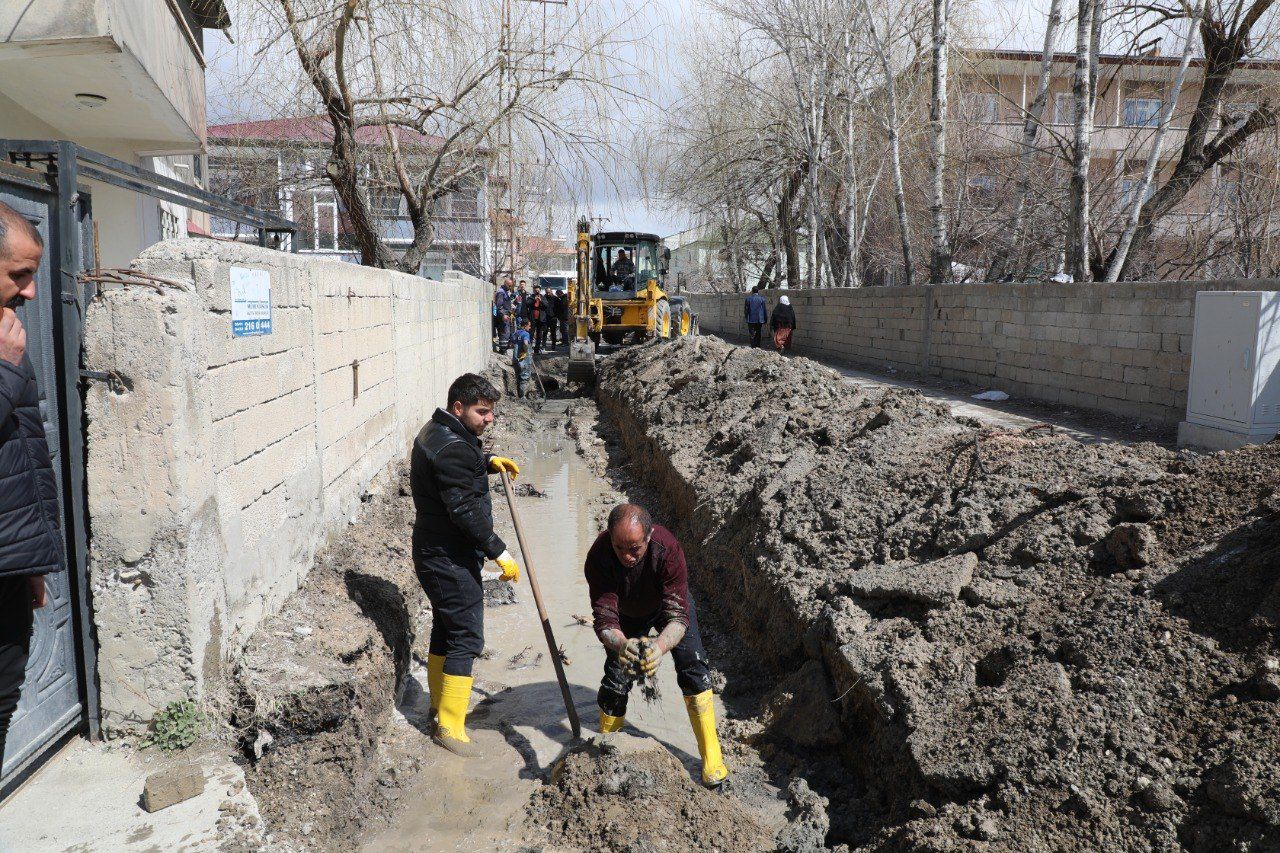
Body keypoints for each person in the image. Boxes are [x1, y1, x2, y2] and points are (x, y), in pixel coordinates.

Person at [410, 374, 522, 757]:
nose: (489, 419)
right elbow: (463, 509)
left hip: (435, 549)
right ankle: (451, 727)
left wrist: (487, 461)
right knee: (467, 637)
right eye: (483, 412)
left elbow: (455, 472)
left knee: (446, 627)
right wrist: (499, 551)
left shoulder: (435, 431)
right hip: (448, 556)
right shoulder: (452, 447)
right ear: (459, 407)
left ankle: (438, 708)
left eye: (491, 411)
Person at [585, 504, 729, 788]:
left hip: (666, 606)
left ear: (649, 536)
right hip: (624, 614)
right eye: (619, 548)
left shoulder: (668, 549)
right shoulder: (599, 556)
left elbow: (677, 617)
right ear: (610, 538)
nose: (627, 556)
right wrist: (623, 645)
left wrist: (659, 647)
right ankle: (607, 747)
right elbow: (604, 621)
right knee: (616, 677)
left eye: (635, 549)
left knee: (693, 666)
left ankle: (712, 756)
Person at [0, 201, 62, 765]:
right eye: (19, 275)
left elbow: (20, 453)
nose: (30, 292)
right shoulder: (7, 349)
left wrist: (31, 564)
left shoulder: (8, 339)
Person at [512, 319, 534, 398]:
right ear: (525, 326)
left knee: (518, 377)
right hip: (523, 360)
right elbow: (525, 343)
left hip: (515, 359)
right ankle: (523, 397)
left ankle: (520, 395)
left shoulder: (515, 333)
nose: (530, 327)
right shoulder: (526, 334)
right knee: (524, 378)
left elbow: (511, 344)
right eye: (529, 325)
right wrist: (527, 351)